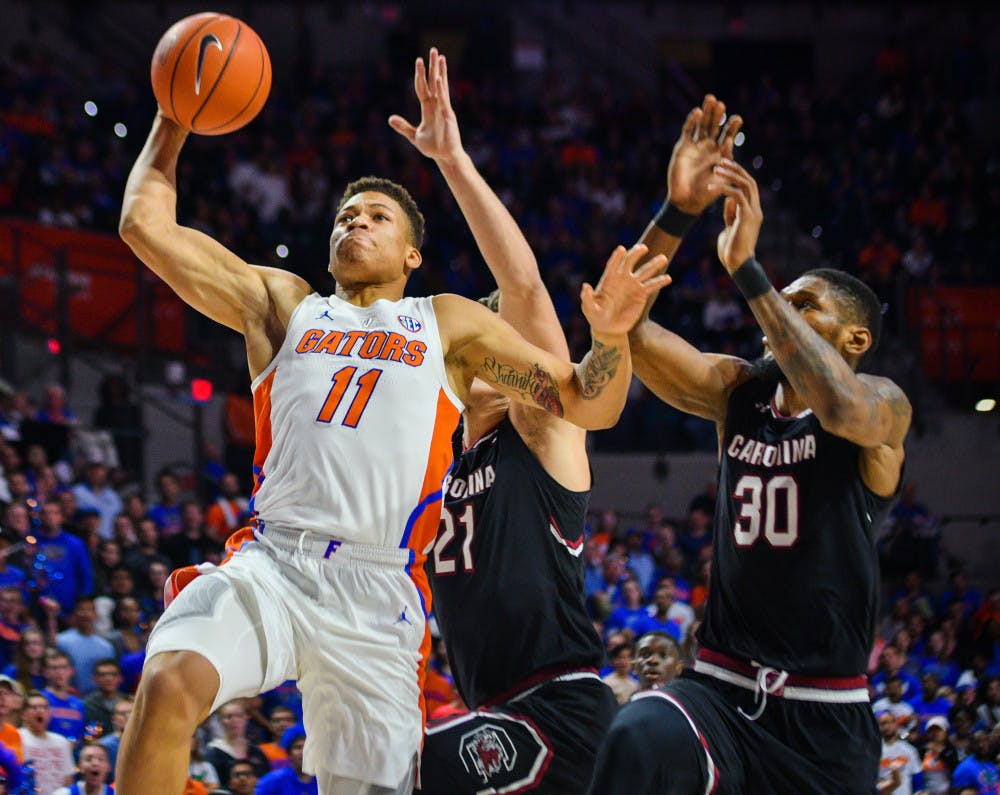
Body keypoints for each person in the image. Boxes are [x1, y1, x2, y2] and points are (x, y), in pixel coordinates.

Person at [115, 47, 666, 795]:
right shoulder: (285, 305)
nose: (355, 220)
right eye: (346, 214)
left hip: (377, 595)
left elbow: (586, 400)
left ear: (411, 253)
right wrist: (172, 118)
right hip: (273, 560)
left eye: (376, 216)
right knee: (169, 682)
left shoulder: (444, 326)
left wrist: (609, 340)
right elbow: (144, 225)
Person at [588, 94, 911, 794]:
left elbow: (837, 402)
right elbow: (629, 328)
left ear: (855, 338)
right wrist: (677, 210)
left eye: (805, 305)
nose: (779, 314)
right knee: (637, 733)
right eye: (781, 302)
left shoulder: (882, 403)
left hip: (825, 718)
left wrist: (750, 270)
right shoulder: (739, 390)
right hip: (720, 691)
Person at [389, 50, 619, 793]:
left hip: (556, 708)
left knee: (401, 769)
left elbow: (520, 284)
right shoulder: (440, 466)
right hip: (493, 708)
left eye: (494, 338)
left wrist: (452, 163)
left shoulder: (542, 433)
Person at [18, 690, 75, 794]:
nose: (40, 711)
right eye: (34, 708)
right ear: (23, 714)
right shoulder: (18, 737)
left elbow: (68, 780)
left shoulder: (61, 742)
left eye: (44, 707)